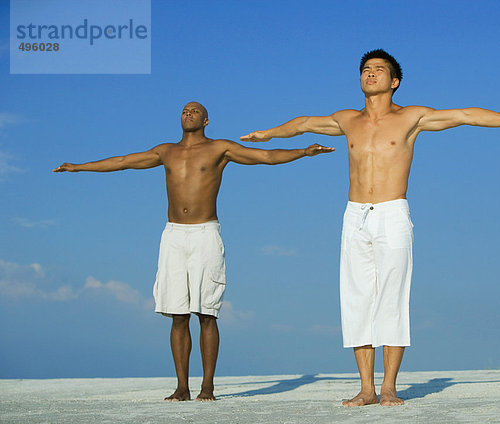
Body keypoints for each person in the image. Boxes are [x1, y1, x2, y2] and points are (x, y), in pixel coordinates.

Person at [240, 49, 500, 407]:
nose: (370, 73)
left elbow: (467, 115)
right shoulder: (347, 119)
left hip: (392, 212)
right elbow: (302, 123)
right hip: (354, 214)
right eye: (365, 69)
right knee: (356, 298)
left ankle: (389, 387)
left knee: (392, 298)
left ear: (394, 82)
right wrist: (269, 133)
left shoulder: (411, 117)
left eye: (378, 70)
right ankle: (366, 388)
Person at [53, 101, 334, 402]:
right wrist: (78, 167)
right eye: (184, 110)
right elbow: (123, 161)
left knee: (206, 314)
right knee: (177, 315)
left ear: (206, 120)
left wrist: (302, 152)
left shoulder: (219, 149)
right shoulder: (166, 151)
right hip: (173, 235)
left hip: (205, 234)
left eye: (194, 111)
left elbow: (264, 156)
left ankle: (207, 387)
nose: (188, 113)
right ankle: (182, 387)